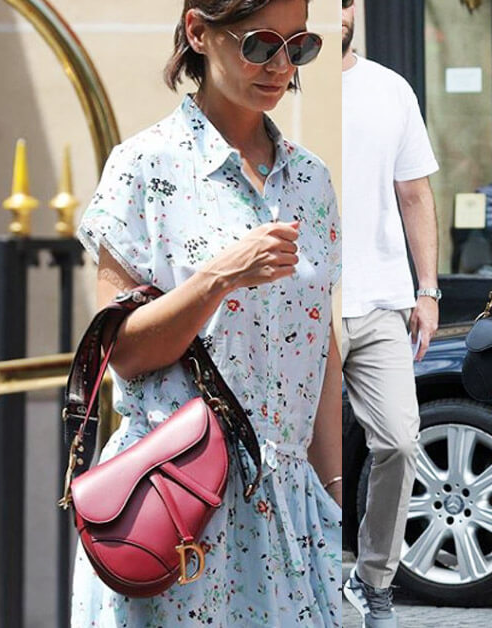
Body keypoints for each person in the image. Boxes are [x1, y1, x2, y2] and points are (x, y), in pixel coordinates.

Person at [70, 0, 343, 624]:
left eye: (298, 46)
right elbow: (124, 353)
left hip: (293, 511)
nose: (280, 66)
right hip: (178, 503)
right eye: (260, 44)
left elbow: (320, 348)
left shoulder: (312, 180)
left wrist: (332, 497)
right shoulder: (145, 165)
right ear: (198, 31)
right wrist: (220, 276)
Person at [338, 1, 440, 626]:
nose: (337, 9)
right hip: (303, 300)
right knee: (300, 455)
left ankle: (373, 579)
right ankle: (300, 583)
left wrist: (427, 290)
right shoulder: (274, 84)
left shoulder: (390, 89)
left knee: (400, 441)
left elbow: (415, 192)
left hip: (380, 297)